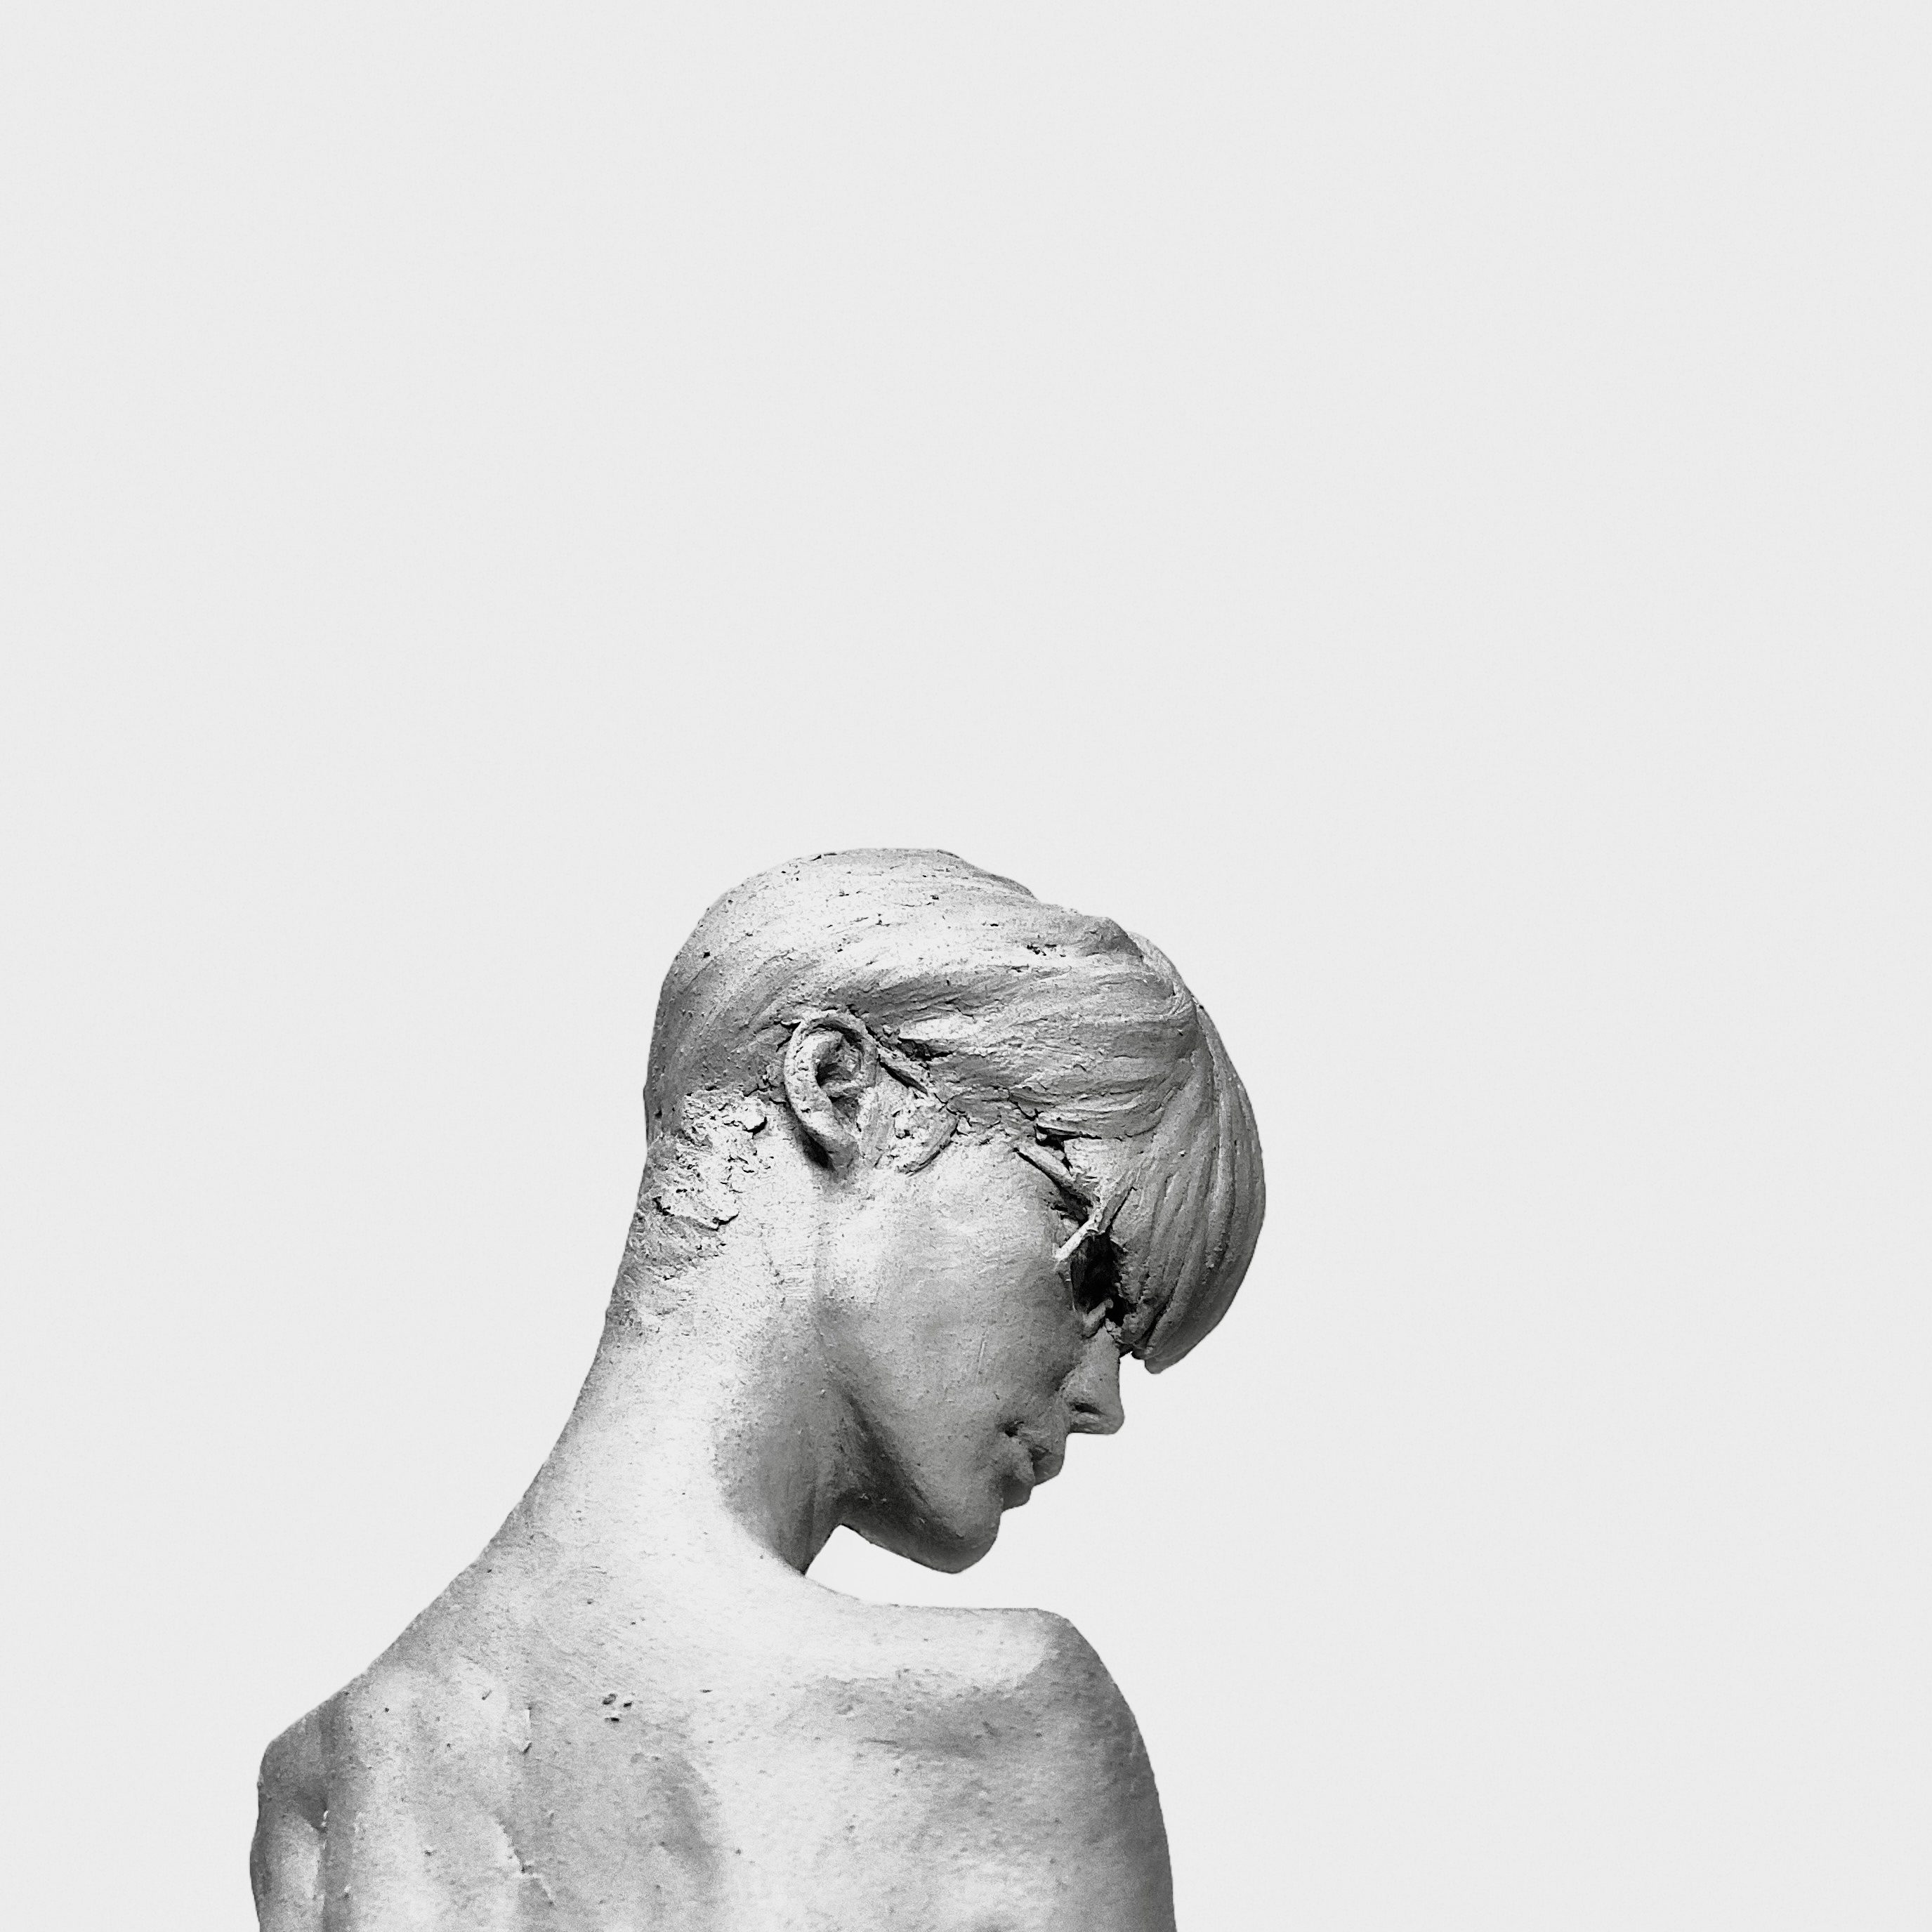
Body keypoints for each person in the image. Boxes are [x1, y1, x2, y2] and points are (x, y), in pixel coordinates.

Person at [252, 849, 1264, 1931]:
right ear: (840, 1089)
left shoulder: (340, 1783)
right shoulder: (989, 1733)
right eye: (1095, 1272)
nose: (1105, 1401)